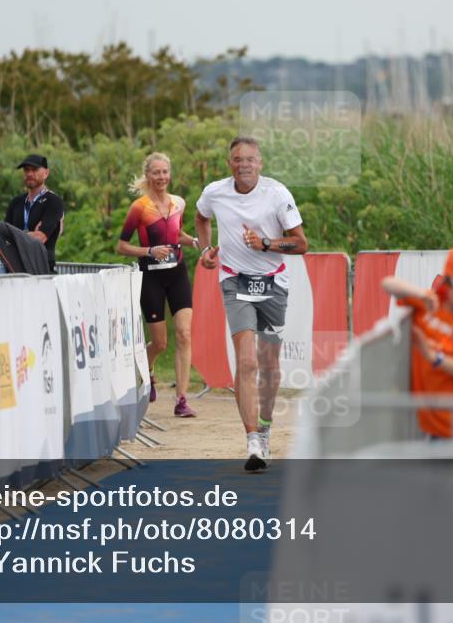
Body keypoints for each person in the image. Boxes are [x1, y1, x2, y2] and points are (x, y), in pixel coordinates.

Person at [194, 136, 309, 471]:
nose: (243, 164)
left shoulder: (277, 194)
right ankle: (253, 442)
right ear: (229, 163)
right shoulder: (215, 192)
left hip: (274, 282)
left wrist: (265, 243)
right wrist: (205, 251)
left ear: (260, 163)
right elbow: (201, 219)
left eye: (249, 159)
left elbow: (301, 244)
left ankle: (267, 426)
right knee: (246, 362)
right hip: (235, 281)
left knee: (269, 366)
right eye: (236, 159)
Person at [381, 244, 453, 439]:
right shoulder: (429, 302)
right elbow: (388, 283)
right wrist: (420, 293)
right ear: (448, 284)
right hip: (427, 426)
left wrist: (433, 356)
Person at [117, 152, 199, 417]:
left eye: (165, 172)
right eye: (156, 173)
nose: (161, 177)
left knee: (185, 334)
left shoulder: (179, 203)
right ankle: (149, 372)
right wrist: (149, 251)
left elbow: (177, 234)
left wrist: (196, 242)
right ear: (148, 175)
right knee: (160, 343)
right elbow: (121, 246)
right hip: (150, 276)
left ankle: (182, 400)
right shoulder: (139, 207)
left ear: (169, 174)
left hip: (177, 274)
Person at [5, 154, 64, 273]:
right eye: (26, 170)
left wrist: (15, 235)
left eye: (34, 169)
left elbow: (40, 239)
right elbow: (5, 241)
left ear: (46, 173)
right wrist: (29, 234)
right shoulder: (16, 202)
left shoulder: (53, 201)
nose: (30, 174)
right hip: (16, 270)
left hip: (42, 270)